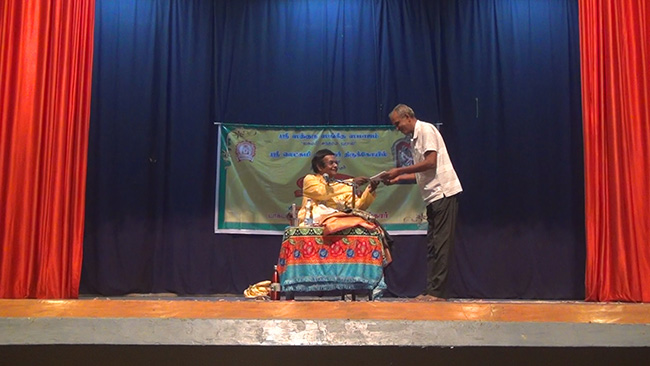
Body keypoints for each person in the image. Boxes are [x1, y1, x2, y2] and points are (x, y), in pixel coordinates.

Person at [381, 104, 462, 302]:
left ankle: (437, 292)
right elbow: (422, 170)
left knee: (441, 244)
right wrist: (400, 178)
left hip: (443, 193)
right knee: (433, 245)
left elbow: (431, 162)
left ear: (408, 117)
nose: (397, 128)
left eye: (398, 123)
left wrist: (399, 171)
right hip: (432, 196)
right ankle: (431, 290)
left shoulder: (425, 129)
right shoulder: (414, 139)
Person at [297, 149, 379, 224]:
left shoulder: (342, 185)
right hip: (312, 223)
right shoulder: (310, 179)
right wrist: (351, 182)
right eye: (331, 163)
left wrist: (370, 190)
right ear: (319, 167)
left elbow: (357, 207)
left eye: (336, 163)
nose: (335, 165)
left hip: (337, 224)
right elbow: (322, 193)